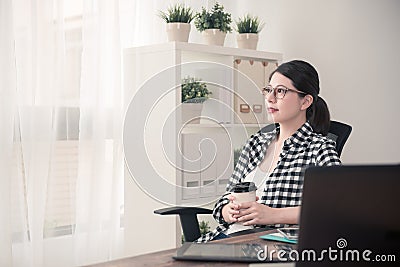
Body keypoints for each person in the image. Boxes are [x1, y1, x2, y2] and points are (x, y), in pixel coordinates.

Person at [197, 60, 341, 242]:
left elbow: (337, 207)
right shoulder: (256, 142)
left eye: (280, 91)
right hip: (225, 238)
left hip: (268, 246)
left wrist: (272, 215)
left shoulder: (318, 148)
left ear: (305, 101)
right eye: (268, 90)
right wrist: (228, 212)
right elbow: (224, 200)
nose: (270, 98)